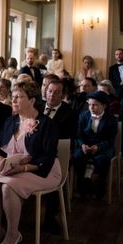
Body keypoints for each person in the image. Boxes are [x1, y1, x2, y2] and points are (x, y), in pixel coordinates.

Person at [0, 81, 61, 244]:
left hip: (41, 170)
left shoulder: (46, 123)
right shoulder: (10, 121)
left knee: (7, 187)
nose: (14, 100)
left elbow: (48, 157)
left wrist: (23, 168)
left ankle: (13, 234)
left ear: (32, 100)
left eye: (19, 97)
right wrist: (1, 163)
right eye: (13, 96)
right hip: (12, 167)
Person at [41, 78, 77, 234]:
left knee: (52, 172)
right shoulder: (36, 107)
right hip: (35, 153)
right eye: (50, 91)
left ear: (62, 95)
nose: (52, 95)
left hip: (58, 154)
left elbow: (69, 138)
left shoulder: (69, 113)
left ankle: (50, 216)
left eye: (57, 92)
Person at [72, 91, 118, 200]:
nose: (91, 107)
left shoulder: (111, 120)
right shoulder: (83, 116)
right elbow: (78, 135)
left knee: (103, 160)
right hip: (86, 145)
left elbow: (110, 140)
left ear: (104, 106)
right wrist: (82, 145)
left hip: (103, 147)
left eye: (95, 105)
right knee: (77, 156)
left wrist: (98, 147)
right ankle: (82, 185)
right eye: (89, 104)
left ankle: (100, 187)